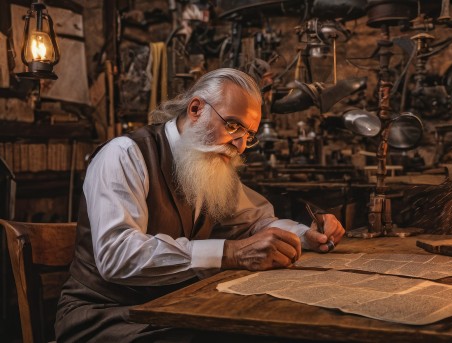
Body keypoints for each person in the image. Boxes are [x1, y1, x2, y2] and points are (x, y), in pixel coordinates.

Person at [55, 68, 345, 342]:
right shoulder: (124, 154)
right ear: (196, 110)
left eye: (248, 135)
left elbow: (256, 222)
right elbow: (118, 256)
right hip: (106, 316)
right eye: (233, 125)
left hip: (170, 306)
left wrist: (304, 235)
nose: (240, 146)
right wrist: (230, 252)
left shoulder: (210, 164)